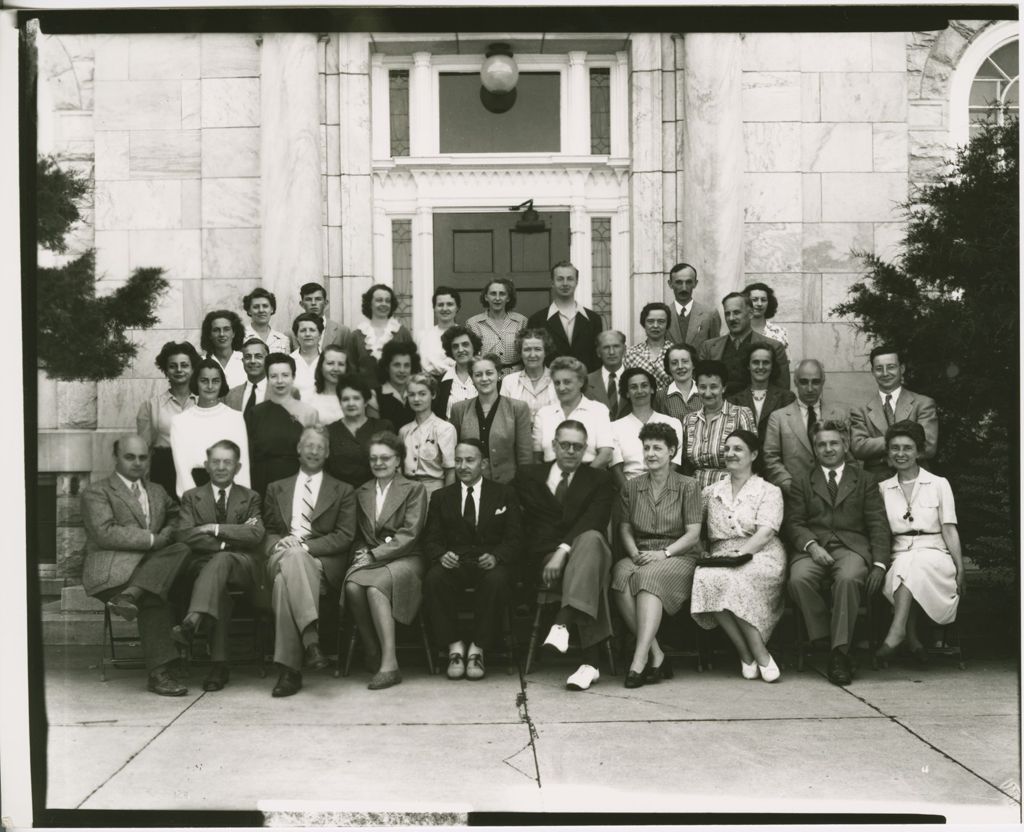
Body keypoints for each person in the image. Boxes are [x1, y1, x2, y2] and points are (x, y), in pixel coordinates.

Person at [81, 436, 193, 696]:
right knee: (156, 597)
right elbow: (104, 532)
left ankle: (133, 595)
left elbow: (177, 516)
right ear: (116, 458)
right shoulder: (97, 492)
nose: (137, 463)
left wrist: (166, 531)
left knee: (183, 549)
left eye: (143, 457)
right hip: (113, 573)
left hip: (149, 575)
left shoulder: (156, 491)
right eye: (130, 457)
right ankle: (161, 673)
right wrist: (154, 540)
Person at [785, 421, 892, 686]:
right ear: (815, 449)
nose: (828, 449)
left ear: (845, 445)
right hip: (814, 547)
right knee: (798, 580)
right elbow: (794, 522)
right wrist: (811, 545)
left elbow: (878, 524)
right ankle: (830, 638)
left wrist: (879, 563)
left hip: (852, 547)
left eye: (834, 443)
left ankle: (839, 654)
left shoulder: (865, 479)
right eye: (822, 444)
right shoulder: (802, 480)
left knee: (848, 578)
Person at [516, 421, 615, 691]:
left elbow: (594, 519)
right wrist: (555, 553)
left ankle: (562, 624)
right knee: (586, 569)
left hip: (586, 552)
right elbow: (523, 526)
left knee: (592, 539)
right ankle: (590, 664)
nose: (571, 451)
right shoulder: (528, 476)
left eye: (578, 446)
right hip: (543, 559)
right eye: (565, 445)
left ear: (586, 450)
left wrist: (563, 550)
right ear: (554, 446)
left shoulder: (600, 480)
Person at [263, 426, 357, 697]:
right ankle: (312, 641)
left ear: (327, 453)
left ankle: (289, 671)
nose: (314, 451)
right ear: (298, 449)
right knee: (290, 559)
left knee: (284, 582)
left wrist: (304, 546)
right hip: (282, 553)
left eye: (320, 447)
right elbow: (268, 530)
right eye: (309, 445)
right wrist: (279, 543)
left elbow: (344, 535)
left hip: (321, 561)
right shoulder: (276, 488)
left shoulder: (343, 490)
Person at [690, 430, 787, 683]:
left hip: (761, 554)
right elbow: (694, 525)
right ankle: (745, 652)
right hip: (721, 553)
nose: (730, 454)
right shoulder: (710, 492)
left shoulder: (769, 490)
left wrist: (740, 555)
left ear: (753, 455)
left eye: (738, 449)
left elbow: (766, 532)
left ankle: (759, 652)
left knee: (734, 579)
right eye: (728, 448)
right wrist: (701, 548)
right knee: (706, 578)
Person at [422, 439, 522, 681]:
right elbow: (431, 538)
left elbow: (516, 536)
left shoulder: (504, 493)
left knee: (497, 581)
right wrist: (440, 555)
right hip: (456, 561)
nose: (463, 466)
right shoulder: (441, 496)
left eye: (470, 460)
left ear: (484, 463)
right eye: (458, 460)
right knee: (435, 578)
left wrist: (498, 556)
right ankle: (455, 647)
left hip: (489, 561)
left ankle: (478, 648)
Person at [171, 439, 266, 692]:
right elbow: (184, 534)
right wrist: (226, 543)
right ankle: (219, 666)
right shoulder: (191, 497)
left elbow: (255, 535)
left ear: (238, 467)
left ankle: (193, 619)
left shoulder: (251, 497)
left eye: (228, 462)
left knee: (223, 562)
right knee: (220, 593)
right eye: (216, 462)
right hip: (203, 567)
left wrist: (214, 528)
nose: (221, 467)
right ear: (206, 465)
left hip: (242, 567)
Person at [612, 423, 702, 688]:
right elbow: (625, 527)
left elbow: (693, 534)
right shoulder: (632, 486)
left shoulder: (688, 486)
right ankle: (657, 654)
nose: (650, 453)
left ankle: (638, 662)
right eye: (647, 448)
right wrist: (634, 553)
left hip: (678, 554)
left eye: (657, 448)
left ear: (671, 451)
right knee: (620, 574)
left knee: (647, 578)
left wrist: (663, 554)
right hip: (642, 552)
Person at [343, 431, 429, 690]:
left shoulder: (415, 489)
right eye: (373, 459)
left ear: (398, 460)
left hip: (407, 557)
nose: (379, 463)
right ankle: (372, 650)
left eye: (385, 458)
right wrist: (361, 552)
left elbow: (410, 535)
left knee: (375, 587)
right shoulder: (361, 491)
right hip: (371, 556)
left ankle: (390, 664)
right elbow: (359, 534)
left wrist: (374, 554)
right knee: (352, 586)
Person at [875, 421, 965, 661]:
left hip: (935, 553)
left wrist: (961, 569)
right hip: (899, 554)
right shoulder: (883, 488)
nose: (901, 454)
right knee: (907, 565)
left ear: (919, 451)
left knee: (914, 564)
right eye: (895, 448)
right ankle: (911, 638)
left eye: (907, 448)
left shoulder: (938, 484)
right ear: (888, 452)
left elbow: (950, 530)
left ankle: (897, 633)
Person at [763, 359, 850, 496]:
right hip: (794, 496)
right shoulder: (778, 418)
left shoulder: (839, 415)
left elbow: (848, 455)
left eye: (815, 382)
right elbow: (771, 459)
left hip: (834, 494)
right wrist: (792, 488)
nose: (810, 388)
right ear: (795, 382)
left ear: (823, 382)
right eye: (804, 382)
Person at [850, 346, 939, 479]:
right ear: (873, 372)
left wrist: (879, 450)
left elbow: (928, 447)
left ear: (901, 369)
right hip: (876, 484)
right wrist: (903, 441)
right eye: (879, 369)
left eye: (891, 367)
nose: (885, 373)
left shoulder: (923, 404)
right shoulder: (861, 410)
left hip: (916, 480)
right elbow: (859, 448)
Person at [169, 358, 250, 499]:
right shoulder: (180, 421)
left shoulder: (235, 418)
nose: (210, 386)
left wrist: (240, 502)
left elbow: (242, 465)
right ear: (196, 383)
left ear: (222, 384)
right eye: (204, 381)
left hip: (230, 495)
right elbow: (182, 470)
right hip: (195, 494)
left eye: (216, 381)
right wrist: (194, 503)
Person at [450, 354, 533, 484]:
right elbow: (454, 454)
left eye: (489, 373)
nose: (484, 379)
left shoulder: (518, 408)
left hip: (508, 487)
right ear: (472, 379)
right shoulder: (459, 410)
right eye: (478, 375)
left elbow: (525, 457)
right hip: (470, 486)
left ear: (499, 375)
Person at [245, 353, 318, 498]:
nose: (280, 381)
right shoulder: (255, 413)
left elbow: (314, 454)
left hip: (297, 482)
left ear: (293, 377)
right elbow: (249, 456)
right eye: (274, 376)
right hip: (262, 483)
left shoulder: (308, 413)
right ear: (267, 378)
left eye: (285, 375)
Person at [136, 340, 200, 500]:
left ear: (193, 369)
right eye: (173, 366)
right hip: (164, 468)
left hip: (198, 468)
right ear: (165, 370)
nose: (179, 370)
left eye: (184, 365)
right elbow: (144, 449)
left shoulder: (204, 403)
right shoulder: (150, 406)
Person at [680, 360, 756, 492]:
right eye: (703, 387)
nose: (708, 393)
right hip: (694, 494)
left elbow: (752, 459)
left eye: (714, 387)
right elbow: (685, 465)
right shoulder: (689, 420)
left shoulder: (741, 414)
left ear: (724, 387)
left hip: (731, 491)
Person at [697, 293, 790, 394]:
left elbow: (782, 391)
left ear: (750, 314)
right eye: (727, 314)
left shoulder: (774, 347)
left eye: (736, 312)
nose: (731, 318)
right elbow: (700, 386)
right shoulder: (709, 347)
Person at [533, 356, 614, 468]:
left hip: (589, 478)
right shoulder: (544, 414)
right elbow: (536, 457)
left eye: (567, 382)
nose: (561, 388)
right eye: (557, 383)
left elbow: (606, 454)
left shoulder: (598, 410)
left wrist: (577, 481)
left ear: (581, 382)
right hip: (551, 478)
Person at [609, 367, 683, 488]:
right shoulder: (614, 427)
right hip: (629, 490)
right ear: (627, 393)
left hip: (664, 489)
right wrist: (632, 495)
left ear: (652, 389)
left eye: (644, 385)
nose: (639, 391)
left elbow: (674, 464)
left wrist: (659, 492)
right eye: (633, 387)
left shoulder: (672, 423)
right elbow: (616, 469)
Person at [527, 261, 604, 373]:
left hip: (585, 385)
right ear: (552, 282)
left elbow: (597, 358)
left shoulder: (593, 319)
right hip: (549, 385)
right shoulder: (537, 320)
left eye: (570, 279)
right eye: (560, 279)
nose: (565, 283)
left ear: (576, 282)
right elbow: (533, 356)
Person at [325, 374, 395, 488]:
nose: (351, 403)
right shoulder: (330, 431)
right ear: (340, 403)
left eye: (356, 398)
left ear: (366, 402)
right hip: (340, 496)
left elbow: (392, 465)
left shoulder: (382, 427)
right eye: (345, 399)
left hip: (376, 493)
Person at [727, 343, 796, 448]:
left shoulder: (786, 398)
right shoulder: (734, 400)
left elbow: (790, 436)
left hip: (776, 459)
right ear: (748, 365)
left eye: (766, 362)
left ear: (772, 366)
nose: (760, 367)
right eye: (755, 362)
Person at [397, 373, 456, 496]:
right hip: (407, 491)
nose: (416, 399)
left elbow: (450, 471)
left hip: (434, 492)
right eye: (412, 395)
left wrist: (446, 502)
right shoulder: (404, 431)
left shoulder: (444, 429)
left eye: (422, 394)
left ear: (433, 395)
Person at [352, 283, 414, 387]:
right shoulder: (356, 336)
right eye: (379, 300)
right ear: (369, 303)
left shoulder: (402, 333)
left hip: (396, 397)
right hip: (365, 398)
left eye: (387, 301)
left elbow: (412, 368)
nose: (384, 304)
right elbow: (351, 371)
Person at [466, 278, 529, 377]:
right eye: (493, 294)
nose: (497, 298)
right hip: (485, 377)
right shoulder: (473, 323)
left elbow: (527, 351)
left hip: (516, 377)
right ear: (486, 297)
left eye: (502, 294)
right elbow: (470, 356)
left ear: (508, 298)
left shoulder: (521, 321)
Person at [500, 328, 559, 421]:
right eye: (527, 349)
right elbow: (504, 418)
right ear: (520, 353)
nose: (532, 354)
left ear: (546, 352)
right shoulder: (509, 381)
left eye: (538, 349)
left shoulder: (558, 379)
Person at [664, 262, 721, 349]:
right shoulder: (664, 315)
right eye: (679, 282)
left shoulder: (710, 314)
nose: (684, 288)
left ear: (695, 283)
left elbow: (716, 350)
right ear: (670, 284)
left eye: (688, 282)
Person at [433, 325, 481, 419]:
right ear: (450, 351)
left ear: (473, 347)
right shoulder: (440, 382)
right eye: (455, 346)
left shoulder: (484, 376)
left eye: (465, 344)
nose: (460, 350)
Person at [623, 302, 673, 391]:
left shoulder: (676, 352)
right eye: (650, 321)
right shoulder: (631, 353)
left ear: (667, 324)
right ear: (644, 323)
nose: (655, 326)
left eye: (661, 321)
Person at [298, 281, 355, 355]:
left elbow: (348, 362)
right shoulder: (291, 334)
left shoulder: (343, 332)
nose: (313, 303)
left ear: (326, 303)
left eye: (318, 299)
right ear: (302, 304)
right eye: (308, 299)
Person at [416, 285, 461, 378]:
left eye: (450, 304)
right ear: (434, 308)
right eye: (440, 305)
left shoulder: (464, 335)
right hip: (428, 385)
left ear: (457, 308)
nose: (445, 309)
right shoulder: (423, 336)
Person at [585, 330, 631, 421]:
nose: (611, 352)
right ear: (598, 352)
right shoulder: (586, 382)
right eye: (606, 347)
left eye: (616, 346)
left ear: (624, 350)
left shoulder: (636, 379)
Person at [376, 340, 420, 430]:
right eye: (397, 365)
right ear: (387, 367)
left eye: (407, 365)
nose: (402, 370)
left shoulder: (418, 392)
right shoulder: (375, 395)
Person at [200, 309, 247, 388]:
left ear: (234, 333)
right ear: (209, 335)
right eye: (216, 330)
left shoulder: (245, 359)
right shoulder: (201, 362)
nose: (221, 334)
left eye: (226, 329)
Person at [653, 343, 701, 421]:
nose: (680, 366)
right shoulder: (660, 397)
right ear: (668, 367)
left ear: (693, 364)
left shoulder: (704, 392)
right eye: (674, 363)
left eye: (685, 361)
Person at [305, 344, 348, 425]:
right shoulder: (308, 396)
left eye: (341, 364)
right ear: (321, 366)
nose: (336, 369)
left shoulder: (354, 396)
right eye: (330, 363)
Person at [223, 337, 268, 414]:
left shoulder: (283, 393)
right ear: (243, 361)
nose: (253, 361)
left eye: (258, 356)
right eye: (248, 357)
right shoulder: (229, 396)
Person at [242, 287, 291, 354]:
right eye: (256, 307)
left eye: (265, 306)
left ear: (272, 309)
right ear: (249, 311)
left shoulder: (283, 339)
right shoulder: (240, 336)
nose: (261, 310)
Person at [290, 311, 324, 400]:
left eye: (312, 330)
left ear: (320, 334)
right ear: (296, 335)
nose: (308, 334)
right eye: (303, 330)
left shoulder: (327, 361)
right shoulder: (288, 361)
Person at [744, 281, 789, 347]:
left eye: (763, 300)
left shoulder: (780, 332)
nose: (759, 304)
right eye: (754, 300)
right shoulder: (739, 330)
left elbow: (786, 357)